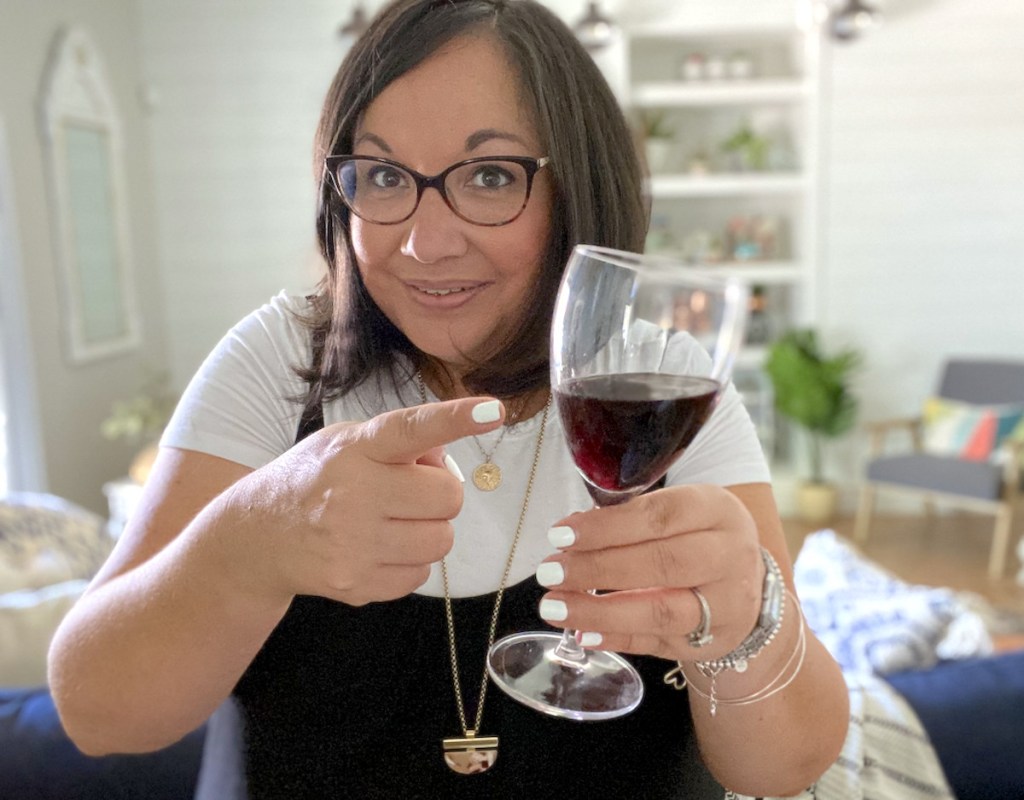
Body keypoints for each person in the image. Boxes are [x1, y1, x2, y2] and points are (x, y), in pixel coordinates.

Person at [48, 1, 849, 797]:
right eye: (387, 176)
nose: (425, 244)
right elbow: (98, 715)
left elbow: (782, 768)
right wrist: (249, 544)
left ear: (578, 187)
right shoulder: (281, 362)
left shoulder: (661, 380)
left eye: (491, 175)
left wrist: (746, 626)